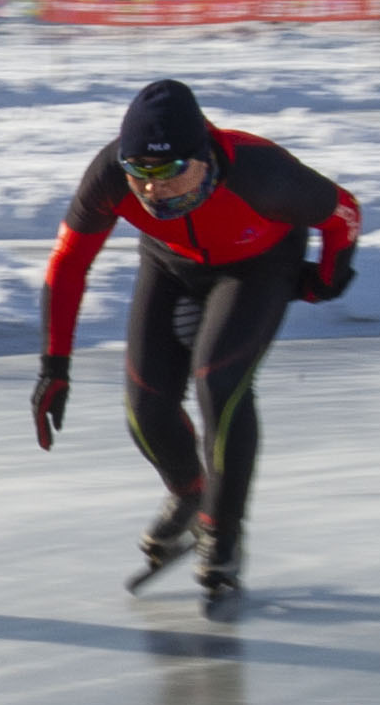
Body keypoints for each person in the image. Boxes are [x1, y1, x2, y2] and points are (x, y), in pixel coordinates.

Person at [29, 78, 359, 610]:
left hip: (257, 268)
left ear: (203, 155)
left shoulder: (262, 173)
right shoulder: (110, 175)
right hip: (170, 266)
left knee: (219, 381)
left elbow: (342, 211)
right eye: (141, 174)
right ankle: (189, 493)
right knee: (144, 408)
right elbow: (68, 264)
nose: (153, 189)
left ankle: (221, 532)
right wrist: (54, 365)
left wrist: (329, 275)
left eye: (169, 172)